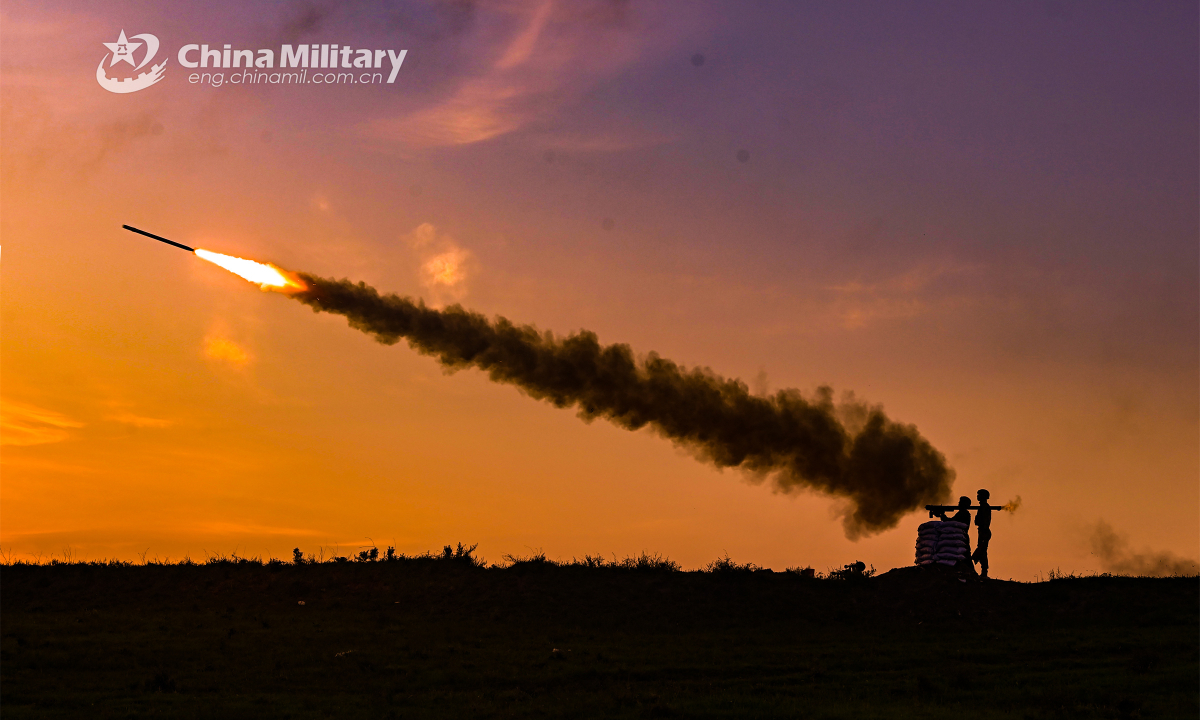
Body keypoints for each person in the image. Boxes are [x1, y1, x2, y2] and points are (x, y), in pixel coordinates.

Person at [972, 488, 993, 578]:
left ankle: (984, 572)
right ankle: (983, 571)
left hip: (984, 532)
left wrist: (983, 532)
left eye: (979, 495)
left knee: (982, 551)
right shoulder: (983, 506)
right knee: (981, 551)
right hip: (983, 531)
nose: (977, 496)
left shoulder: (984, 507)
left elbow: (984, 521)